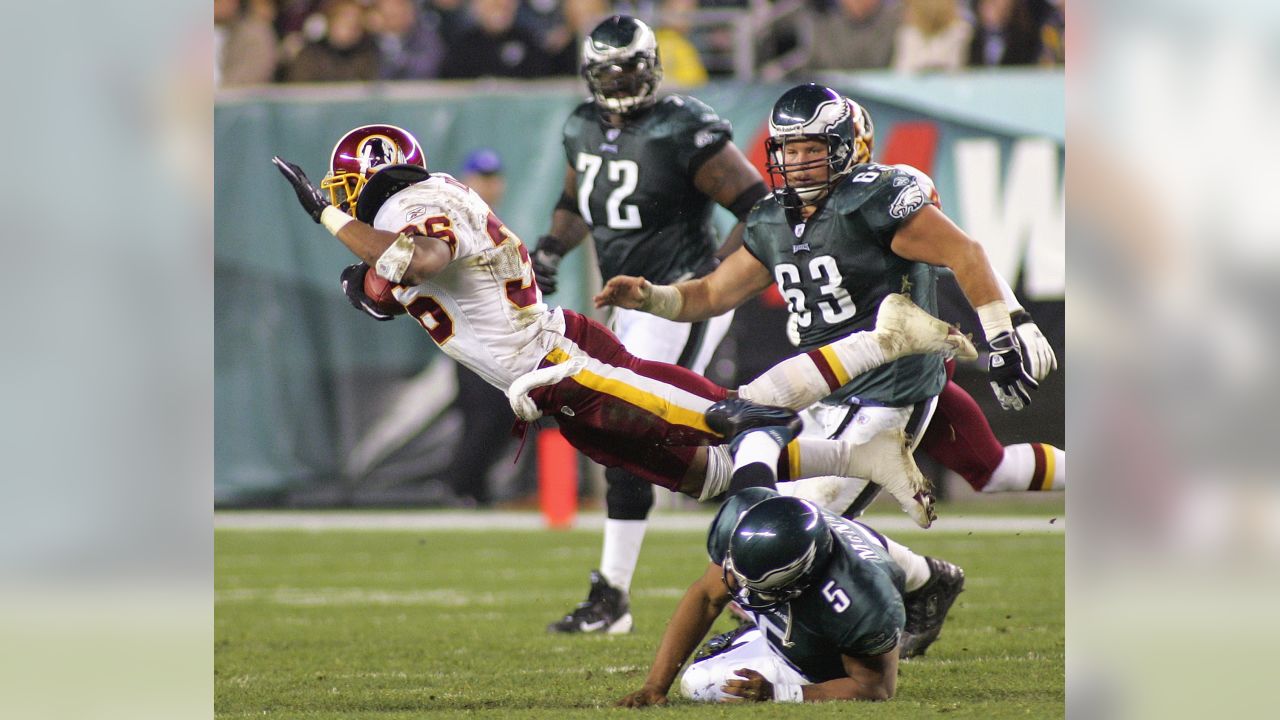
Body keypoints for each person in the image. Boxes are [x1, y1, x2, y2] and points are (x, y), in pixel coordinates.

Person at [270, 123, 974, 531]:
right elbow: (393, 284)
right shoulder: (418, 204)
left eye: (345, 194)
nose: (342, 206)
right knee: (700, 475)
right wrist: (366, 279)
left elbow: (417, 259)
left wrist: (327, 218)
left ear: (372, 178)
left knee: (719, 416)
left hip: (553, 359)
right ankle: (858, 458)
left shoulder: (415, 205)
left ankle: (882, 343)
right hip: (546, 361)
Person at [596, 83, 1042, 523]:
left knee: (792, 529)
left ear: (845, 147)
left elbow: (964, 254)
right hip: (830, 391)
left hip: (886, 393)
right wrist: (650, 297)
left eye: (812, 149)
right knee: (993, 469)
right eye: (789, 151)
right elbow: (713, 292)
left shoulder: (873, 198)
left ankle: (912, 577)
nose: (799, 162)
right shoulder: (772, 218)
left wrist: (1008, 332)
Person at [529, 14, 775, 635]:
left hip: (676, 299)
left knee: (653, 434)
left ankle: (777, 552)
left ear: (651, 67)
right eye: (606, 70)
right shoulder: (582, 125)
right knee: (634, 438)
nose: (617, 81)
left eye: (627, 68)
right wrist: (554, 248)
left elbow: (760, 210)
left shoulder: (683, 126)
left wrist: (713, 281)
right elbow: (576, 202)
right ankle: (615, 594)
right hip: (627, 303)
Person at [616, 487, 961, 706]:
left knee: (702, 683)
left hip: (864, 588)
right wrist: (654, 686)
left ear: (802, 577)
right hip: (860, 557)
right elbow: (707, 596)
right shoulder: (749, 512)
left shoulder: (859, 598)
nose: (743, 591)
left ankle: (925, 585)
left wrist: (782, 694)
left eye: (762, 586)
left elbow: (875, 688)